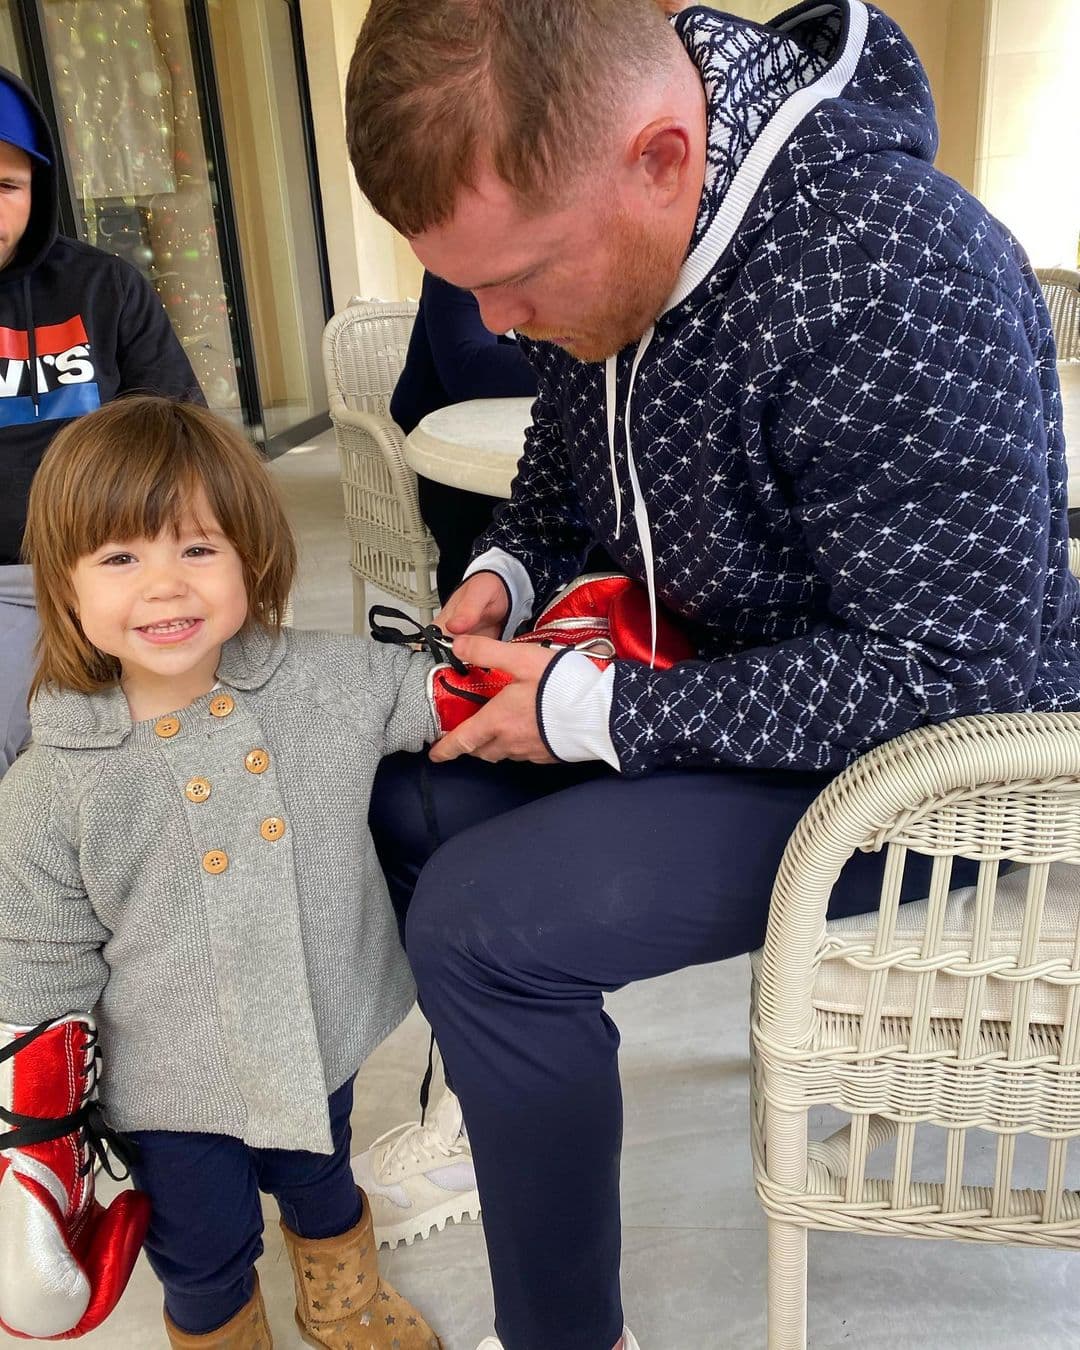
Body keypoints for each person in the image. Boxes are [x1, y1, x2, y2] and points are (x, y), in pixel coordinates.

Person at [345, 2, 1080, 1349]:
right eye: (466, 287)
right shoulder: (620, 250)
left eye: (520, 275)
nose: (496, 324)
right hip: (718, 690)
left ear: (663, 156)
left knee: (483, 922)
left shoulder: (894, 268)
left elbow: (957, 676)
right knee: (403, 796)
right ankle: (505, 1114)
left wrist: (595, 709)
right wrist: (503, 576)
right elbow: (560, 479)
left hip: (926, 782)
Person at [0, 397, 442, 1350]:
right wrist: (34, 1141)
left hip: (316, 1035)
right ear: (63, 583)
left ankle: (344, 1301)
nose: (164, 586)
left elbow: (437, 697)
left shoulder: (328, 681)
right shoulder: (49, 787)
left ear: (253, 558)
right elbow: (38, 968)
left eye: (197, 549)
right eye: (120, 558)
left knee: (321, 1182)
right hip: (169, 1091)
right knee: (202, 1251)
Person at [0, 67, 202, 778]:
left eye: (5, 186)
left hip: (125, 556)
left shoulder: (105, 286)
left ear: (39, 190)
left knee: (208, 735)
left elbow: (179, 432)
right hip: (6, 583)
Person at [391, 269, 538, 601]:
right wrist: (583, 360)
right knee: (483, 546)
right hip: (453, 458)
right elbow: (470, 367)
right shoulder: (461, 255)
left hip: (526, 441)